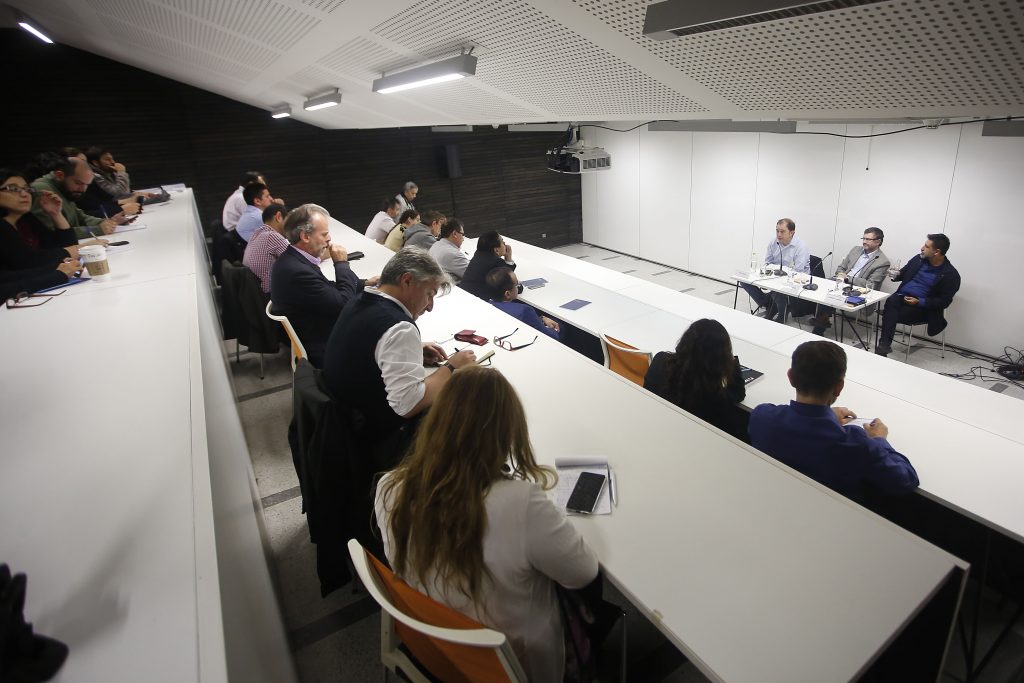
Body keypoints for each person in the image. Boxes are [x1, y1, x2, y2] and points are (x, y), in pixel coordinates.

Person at [375, 366, 598, 683]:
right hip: (516, 664)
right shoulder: (520, 504)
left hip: (438, 648)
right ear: (507, 434)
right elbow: (583, 573)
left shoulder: (389, 488)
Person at [322, 247, 476, 469]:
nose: (430, 307)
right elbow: (408, 404)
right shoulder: (399, 328)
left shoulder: (359, 300)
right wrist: (452, 367)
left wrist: (413, 350)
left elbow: (365, 344)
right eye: (430, 294)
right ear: (407, 281)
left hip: (342, 423)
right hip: (376, 438)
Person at [748, 340, 919, 502]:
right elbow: (905, 480)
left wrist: (827, 415)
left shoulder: (761, 417)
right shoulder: (856, 443)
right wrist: (879, 439)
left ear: (791, 377)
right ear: (839, 387)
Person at [269, 204, 368, 368]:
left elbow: (324, 288)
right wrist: (341, 263)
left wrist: (364, 283)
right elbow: (344, 304)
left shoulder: (294, 259)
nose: (329, 239)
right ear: (305, 237)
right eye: (324, 234)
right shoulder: (297, 271)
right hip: (322, 343)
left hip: (314, 327)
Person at [643, 319, 749, 442]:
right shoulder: (710, 392)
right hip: (687, 440)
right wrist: (731, 361)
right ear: (719, 358)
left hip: (654, 428)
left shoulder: (659, 360)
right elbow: (738, 393)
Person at [875, 233, 961, 357]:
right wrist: (894, 274)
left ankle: (883, 345)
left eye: (926, 246)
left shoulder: (950, 275)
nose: (922, 248)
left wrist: (919, 301)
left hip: (923, 307)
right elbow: (902, 273)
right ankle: (884, 346)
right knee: (892, 301)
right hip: (901, 298)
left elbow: (944, 302)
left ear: (936, 252)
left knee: (891, 310)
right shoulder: (918, 259)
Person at [0, 169, 101, 271]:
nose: (24, 194)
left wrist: (56, 214)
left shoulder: (26, 220)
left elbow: (64, 245)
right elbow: (26, 261)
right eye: (13, 188)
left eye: (26, 189)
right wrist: (80, 249)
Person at [810, 227, 891, 335]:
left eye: (868, 239)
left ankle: (820, 325)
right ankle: (821, 319)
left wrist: (847, 278)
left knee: (831, 294)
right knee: (822, 286)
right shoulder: (856, 250)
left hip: (858, 290)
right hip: (841, 281)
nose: (864, 241)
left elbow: (871, 284)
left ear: (878, 242)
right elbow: (841, 267)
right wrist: (841, 275)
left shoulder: (882, 261)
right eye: (863, 238)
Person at [739, 218, 809, 322]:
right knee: (745, 281)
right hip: (775, 275)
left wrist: (779, 273)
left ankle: (781, 314)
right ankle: (769, 304)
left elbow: (798, 271)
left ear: (791, 233)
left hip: (796, 279)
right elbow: (768, 262)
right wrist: (767, 272)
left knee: (779, 287)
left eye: (782, 231)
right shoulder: (773, 242)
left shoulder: (801, 246)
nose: (779, 234)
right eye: (777, 231)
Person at [30, 157, 118, 238]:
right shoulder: (41, 190)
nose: (83, 189)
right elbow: (52, 232)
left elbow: (79, 216)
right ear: (60, 175)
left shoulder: (65, 188)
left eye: (86, 185)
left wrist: (103, 222)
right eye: (78, 183)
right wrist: (97, 230)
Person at [486, 267, 560, 340]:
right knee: (562, 324)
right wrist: (555, 330)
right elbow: (553, 337)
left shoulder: (488, 305)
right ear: (507, 294)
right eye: (516, 284)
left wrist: (542, 319)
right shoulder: (524, 310)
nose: (519, 285)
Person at [242, 203, 290, 294]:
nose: (289, 226)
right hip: (270, 292)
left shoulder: (257, 233)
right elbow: (298, 258)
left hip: (255, 292)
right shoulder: (272, 236)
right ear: (278, 217)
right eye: (287, 221)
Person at [460, 230, 516, 300]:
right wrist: (508, 258)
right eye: (502, 242)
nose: (505, 244)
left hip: (463, 293)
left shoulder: (478, 254)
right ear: (496, 250)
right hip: (478, 300)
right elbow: (509, 279)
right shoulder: (496, 262)